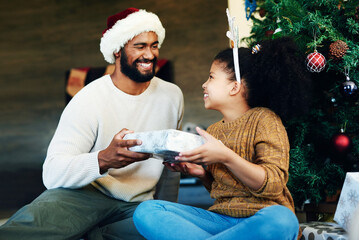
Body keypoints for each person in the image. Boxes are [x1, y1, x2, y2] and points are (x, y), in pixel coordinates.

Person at [0, 7, 184, 240]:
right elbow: (52, 173)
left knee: (173, 230)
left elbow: (169, 167)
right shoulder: (89, 99)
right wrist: (103, 159)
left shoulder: (172, 96)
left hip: (138, 204)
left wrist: (165, 209)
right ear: (117, 50)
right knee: (19, 234)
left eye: (154, 45)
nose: (149, 55)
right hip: (83, 195)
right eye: (140, 46)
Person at [133, 36, 311, 240]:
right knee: (147, 211)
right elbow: (224, 191)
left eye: (211, 77)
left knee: (283, 220)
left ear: (234, 87)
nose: (204, 84)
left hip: (261, 218)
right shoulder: (215, 130)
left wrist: (225, 156)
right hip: (220, 222)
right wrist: (201, 174)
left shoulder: (265, 120)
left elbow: (273, 185)